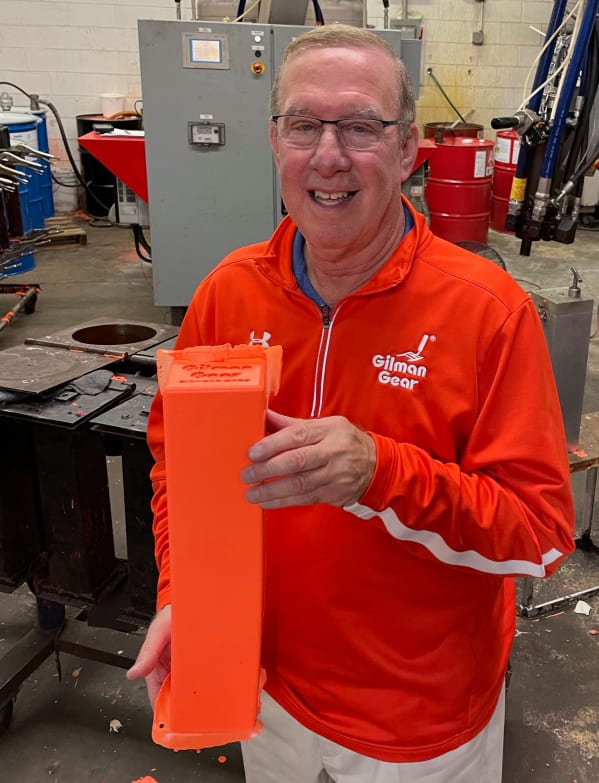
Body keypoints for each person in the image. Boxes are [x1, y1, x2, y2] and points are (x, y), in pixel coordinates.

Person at [127, 23, 575, 783]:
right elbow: (181, 469)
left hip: (419, 724)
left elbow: (538, 535)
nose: (328, 155)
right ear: (275, 143)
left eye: (361, 126)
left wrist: (381, 473)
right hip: (265, 692)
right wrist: (185, 597)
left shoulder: (486, 312)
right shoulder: (227, 292)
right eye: (304, 125)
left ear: (408, 152)